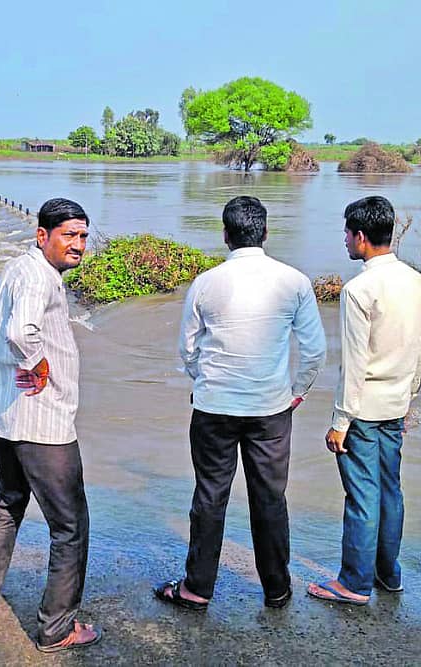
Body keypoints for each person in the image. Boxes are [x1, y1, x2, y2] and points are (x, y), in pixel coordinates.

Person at [156, 196, 327, 611]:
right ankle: (277, 589)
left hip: (214, 408)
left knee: (210, 496)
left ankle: (197, 588)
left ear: (225, 235)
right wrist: (296, 392)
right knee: (270, 498)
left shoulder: (206, 282)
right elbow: (315, 351)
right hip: (271, 409)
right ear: (265, 233)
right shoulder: (294, 281)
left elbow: (187, 349)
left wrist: (208, 381)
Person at [0, 198, 101, 653]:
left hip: (5, 414)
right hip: (42, 422)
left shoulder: (19, 268)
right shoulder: (39, 276)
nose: (78, 244)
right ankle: (57, 629)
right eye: (68, 235)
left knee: (8, 503)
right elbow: (21, 331)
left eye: (82, 235)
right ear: (43, 236)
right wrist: (36, 365)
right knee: (70, 525)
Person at [307, 196, 421, 606]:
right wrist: (409, 393)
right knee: (390, 492)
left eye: (346, 233)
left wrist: (340, 420)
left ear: (361, 237)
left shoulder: (359, 289)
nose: (344, 240)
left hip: (362, 410)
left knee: (361, 496)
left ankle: (354, 584)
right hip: (395, 404)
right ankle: (387, 575)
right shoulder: (418, 282)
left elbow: (355, 363)